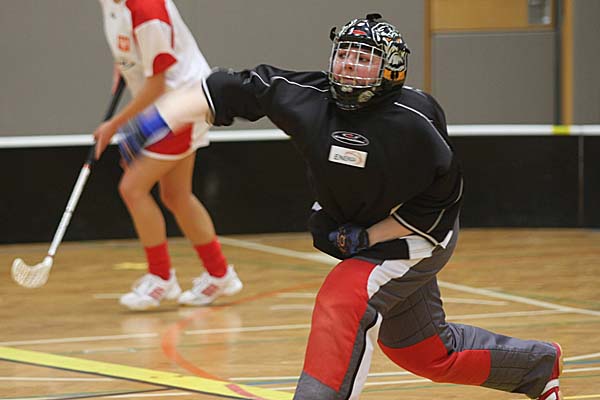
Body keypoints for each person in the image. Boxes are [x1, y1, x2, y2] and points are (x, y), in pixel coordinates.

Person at [110, 12, 563, 399]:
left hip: (415, 235)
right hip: (359, 228)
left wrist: (369, 237)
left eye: (364, 58)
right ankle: (537, 368)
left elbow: (442, 199)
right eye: (345, 54)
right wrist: (155, 119)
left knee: (343, 296)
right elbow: (227, 87)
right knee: (423, 352)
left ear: (391, 70)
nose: (350, 65)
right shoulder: (307, 98)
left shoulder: (414, 123)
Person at [93, 0, 242, 311]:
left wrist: (114, 125)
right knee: (176, 195)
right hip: (164, 106)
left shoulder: (149, 12)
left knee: (132, 188)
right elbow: (131, 53)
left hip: (184, 103)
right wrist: (123, 70)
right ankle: (219, 274)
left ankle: (161, 278)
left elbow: (158, 84)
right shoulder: (110, 3)